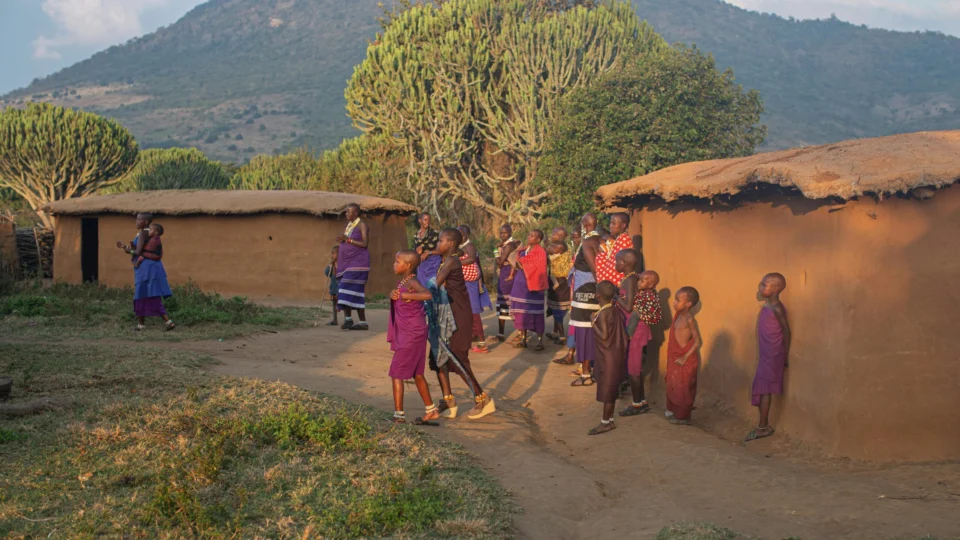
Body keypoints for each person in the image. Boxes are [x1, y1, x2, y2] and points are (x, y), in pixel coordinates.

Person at [427, 228, 496, 420]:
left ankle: (483, 399)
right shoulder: (445, 261)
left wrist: (411, 291)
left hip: (458, 315)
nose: (437, 244)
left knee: (457, 357)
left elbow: (433, 287)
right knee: (439, 355)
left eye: (440, 241)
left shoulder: (451, 261)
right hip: (446, 313)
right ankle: (448, 401)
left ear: (450, 244)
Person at [388, 250, 441, 425]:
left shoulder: (412, 281)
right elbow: (401, 295)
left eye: (398, 261)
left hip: (412, 333)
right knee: (417, 373)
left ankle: (399, 415)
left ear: (408, 265)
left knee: (397, 372)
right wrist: (394, 294)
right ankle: (431, 410)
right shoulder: (404, 281)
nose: (394, 264)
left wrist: (404, 295)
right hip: (413, 331)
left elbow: (427, 295)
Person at [745, 273, 791, 442]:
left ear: (776, 289)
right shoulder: (768, 306)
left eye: (765, 285)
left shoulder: (777, 307)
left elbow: (786, 331)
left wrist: (785, 354)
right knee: (760, 386)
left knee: (764, 388)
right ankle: (763, 425)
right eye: (761, 284)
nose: (760, 288)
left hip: (773, 354)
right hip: (766, 353)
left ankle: (763, 427)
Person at [616, 258, 661, 417]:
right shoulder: (646, 293)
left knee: (634, 370)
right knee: (635, 369)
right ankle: (641, 402)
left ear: (650, 285)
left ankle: (637, 405)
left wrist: (617, 298)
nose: (638, 283)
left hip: (636, 331)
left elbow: (633, 312)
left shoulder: (646, 295)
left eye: (642, 280)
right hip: (639, 329)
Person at [115, 213, 174, 332]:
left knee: (141, 294)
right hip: (151, 267)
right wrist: (124, 247)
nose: (136, 222)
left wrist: (129, 250)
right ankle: (166, 322)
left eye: (139, 220)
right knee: (150, 294)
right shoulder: (147, 233)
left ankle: (144, 325)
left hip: (146, 269)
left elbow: (136, 252)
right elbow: (138, 251)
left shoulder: (143, 233)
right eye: (136, 219)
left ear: (146, 222)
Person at [588, 281, 628, 435]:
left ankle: (605, 422)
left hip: (608, 357)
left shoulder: (603, 313)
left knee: (607, 391)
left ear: (597, 295)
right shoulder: (615, 310)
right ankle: (609, 420)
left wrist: (593, 322)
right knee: (610, 389)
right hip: (615, 355)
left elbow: (604, 336)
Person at [569, 214, 602, 384]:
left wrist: (599, 288)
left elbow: (595, 269)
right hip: (594, 292)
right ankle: (591, 370)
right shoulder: (601, 240)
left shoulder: (588, 242)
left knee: (584, 333)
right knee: (593, 331)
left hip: (585, 293)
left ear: (584, 226)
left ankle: (586, 374)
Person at [666, 286, 702, 425]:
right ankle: (674, 410)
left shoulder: (689, 319)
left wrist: (685, 357)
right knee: (673, 384)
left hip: (684, 358)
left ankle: (683, 416)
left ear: (688, 304)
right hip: (675, 357)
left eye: (677, 300)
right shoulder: (677, 316)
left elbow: (697, 341)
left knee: (684, 388)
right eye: (674, 300)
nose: (674, 303)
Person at [509, 229, 548, 351]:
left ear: (538, 240)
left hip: (534, 286)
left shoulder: (540, 252)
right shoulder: (523, 251)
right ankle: (523, 339)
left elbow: (528, 265)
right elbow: (516, 264)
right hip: (520, 285)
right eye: (529, 234)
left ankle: (540, 341)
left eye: (532, 236)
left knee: (536, 314)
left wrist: (518, 261)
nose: (528, 237)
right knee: (522, 313)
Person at [457, 225, 493, 353]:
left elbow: (471, 259)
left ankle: (482, 343)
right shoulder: (461, 247)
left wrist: (454, 262)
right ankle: (470, 337)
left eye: (461, 234)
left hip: (470, 284)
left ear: (466, 235)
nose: (458, 236)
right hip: (464, 283)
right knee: (466, 312)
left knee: (474, 312)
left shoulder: (469, 246)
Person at [335, 203, 370, 331]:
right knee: (352, 292)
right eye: (346, 212)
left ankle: (361, 321)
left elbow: (365, 243)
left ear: (356, 213)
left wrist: (348, 240)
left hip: (359, 263)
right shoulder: (349, 225)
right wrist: (343, 240)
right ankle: (351, 320)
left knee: (346, 289)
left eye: (349, 212)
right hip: (347, 263)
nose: (346, 214)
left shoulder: (362, 225)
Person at [493, 225, 521, 343]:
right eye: (501, 233)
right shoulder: (507, 244)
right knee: (502, 303)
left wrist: (495, 250)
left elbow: (500, 262)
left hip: (509, 276)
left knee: (510, 303)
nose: (502, 235)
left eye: (505, 233)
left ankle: (520, 333)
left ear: (510, 232)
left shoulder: (509, 245)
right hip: (505, 275)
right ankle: (501, 333)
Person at [546, 228, 572, 345]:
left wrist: (545, 244)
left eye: (554, 234)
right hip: (556, 278)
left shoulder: (560, 246)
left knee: (558, 308)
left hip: (561, 280)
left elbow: (548, 251)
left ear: (561, 237)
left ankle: (561, 336)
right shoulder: (560, 245)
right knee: (555, 306)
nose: (552, 235)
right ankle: (555, 332)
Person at [595, 212, 633, 285]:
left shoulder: (624, 240)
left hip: (617, 283)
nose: (610, 226)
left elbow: (618, 264)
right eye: (610, 223)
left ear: (622, 225)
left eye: (613, 223)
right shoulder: (618, 239)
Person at [413, 213, 442, 288]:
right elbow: (415, 249)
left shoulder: (434, 233)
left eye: (429, 220)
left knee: (431, 283)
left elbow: (440, 250)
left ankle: (431, 297)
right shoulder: (416, 235)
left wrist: (428, 253)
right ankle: (424, 297)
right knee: (421, 282)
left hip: (432, 262)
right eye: (425, 220)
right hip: (421, 262)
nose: (427, 222)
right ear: (420, 221)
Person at [323, 246, 340, 326]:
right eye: (331, 254)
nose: (332, 255)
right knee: (334, 303)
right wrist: (330, 266)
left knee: (344, 304)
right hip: (334, 287)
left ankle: (347, 319)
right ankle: (335, 320)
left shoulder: (342, 264)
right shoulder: (332, 265)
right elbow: (327, 273)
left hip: (341, 288)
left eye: (333, 253)